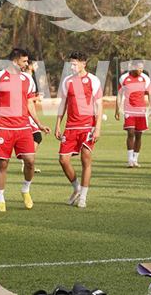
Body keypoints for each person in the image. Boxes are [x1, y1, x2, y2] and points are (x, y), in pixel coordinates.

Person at [0, 48, 51, 212]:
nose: (26, 65)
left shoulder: (27, 79)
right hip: (5, 128)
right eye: (24, 62)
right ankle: (1, 199)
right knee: (3, 163)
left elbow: (30, 104)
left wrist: (39, 124)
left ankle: (26, 189)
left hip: (24, 128)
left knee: (30, 161)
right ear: (15, 62)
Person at [55, 51, 103, 208]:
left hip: (87, 127)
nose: (72, 66)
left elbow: (99, 106)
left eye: (75, 64)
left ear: (84, 63)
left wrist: (97, 129)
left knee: (85, 159)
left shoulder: (93, 80)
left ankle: (83, 197)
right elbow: (63, 104)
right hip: (70, 127)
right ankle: (76, 187)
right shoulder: (67, 81)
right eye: (70, 64)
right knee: (63, 160)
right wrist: (58, 124)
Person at [115, 59, 151, 168]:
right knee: (130, 132)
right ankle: (130, 160)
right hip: (128, 110)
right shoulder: (124, 78)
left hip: (141, 111)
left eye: (142, 68)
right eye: (138, 67)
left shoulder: (145, 78)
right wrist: (117, 110)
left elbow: (150, 93)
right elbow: (119, 94)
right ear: (132, 67)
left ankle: (135, 159)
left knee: (138, 134)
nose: (140, 70)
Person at [22, 60, 44, 173]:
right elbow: (25, 99)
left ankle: (27, 162)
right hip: (26, 113)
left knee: (34, 137)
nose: (37, 67)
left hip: (28, 112)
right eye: (35, 64)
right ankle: (27, 163)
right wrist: (37, 98)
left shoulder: (29, 77)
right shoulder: (27, 78)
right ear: (29, 65)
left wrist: (36, 97)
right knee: (37, 136)